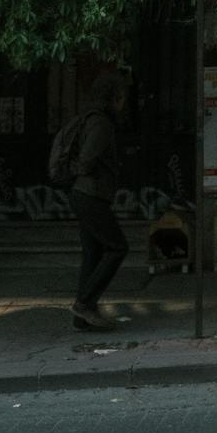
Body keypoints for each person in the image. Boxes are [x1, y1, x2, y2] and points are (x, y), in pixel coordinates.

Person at [64, 71, 130, 331]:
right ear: (112, 98)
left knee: (92, 253)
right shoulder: (101, 123)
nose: (123, 103)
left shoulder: (91, 118)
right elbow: (88, 159)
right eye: (121, 97)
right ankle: (84, 303)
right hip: (90, 195)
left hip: (85, 194)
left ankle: (82, 316)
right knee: (117, 247)